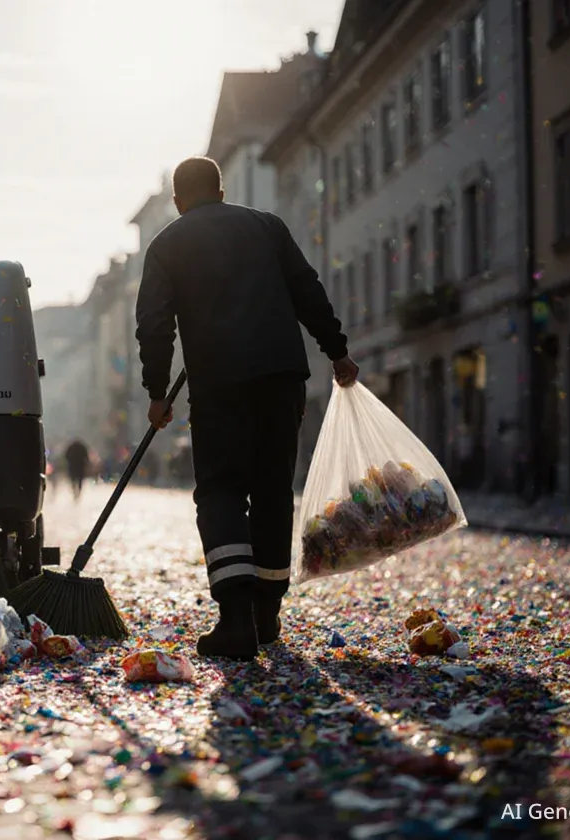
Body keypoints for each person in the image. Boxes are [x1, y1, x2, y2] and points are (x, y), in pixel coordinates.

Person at [134, 156, 359, 660]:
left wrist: (157, 391)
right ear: (221, 190)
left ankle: (236, 619)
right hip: (281, 378)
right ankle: (266, 614)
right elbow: (307, 290)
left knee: (221, 491)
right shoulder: (267, 227)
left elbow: (154, 322)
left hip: (219, 385)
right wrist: (337, 351)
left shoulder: (167, 244)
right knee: (274, 491)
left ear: (178, 201)